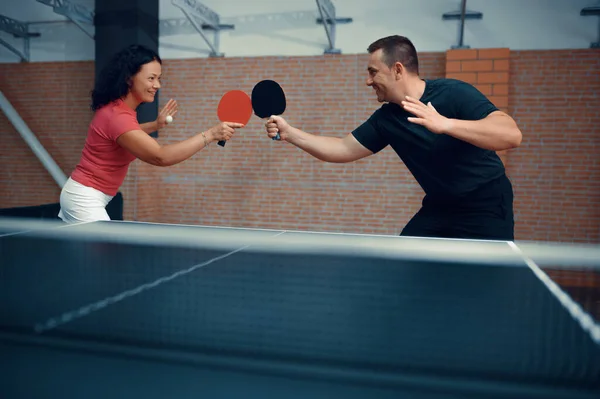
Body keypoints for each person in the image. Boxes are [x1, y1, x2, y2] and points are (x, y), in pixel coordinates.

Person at [265, 35, 522, 240]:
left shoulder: (453, 93)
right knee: (403, 262)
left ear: (397, 70)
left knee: (489, 286)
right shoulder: (387, 119)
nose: (368, 81)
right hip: (440, 207)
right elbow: (342, 149)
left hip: (486, 205)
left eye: (373, 72)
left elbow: (510, 134)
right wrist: (291, 134)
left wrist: (446, 124)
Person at [58, 44, 244, 224]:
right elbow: (160, 156)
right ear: (129, 79)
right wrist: (210, 135)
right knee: (104, 253)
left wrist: (156, 125)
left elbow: (124, 135)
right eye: (151, 78)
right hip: (83, 198)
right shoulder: (118, 117)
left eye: (159, 78)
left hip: (87, 195)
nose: (157, 85)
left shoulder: (119, 111)